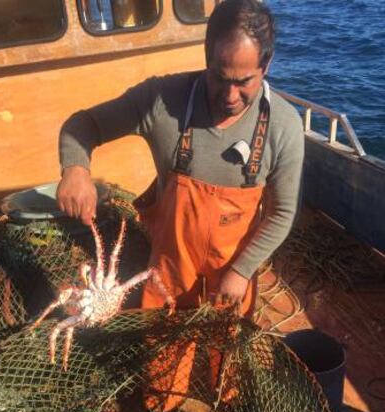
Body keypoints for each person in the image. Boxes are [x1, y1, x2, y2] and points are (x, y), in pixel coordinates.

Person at [57, 0, 304, 317]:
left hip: (232, 283)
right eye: (219, 77)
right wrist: (76, 169)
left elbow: (282, 213)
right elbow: (82, 125)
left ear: (266, 67)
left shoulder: (283, 125)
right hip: (166, 279)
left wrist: (243, 271)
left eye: (244, 82)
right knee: (162, 363)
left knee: (223, 360)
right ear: (206, 56)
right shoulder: (160, 101)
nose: (230, 96)